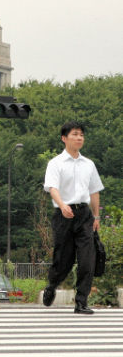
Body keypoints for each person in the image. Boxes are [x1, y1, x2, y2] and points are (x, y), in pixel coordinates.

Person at [43, 121, 104, 315]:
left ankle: (81, 302)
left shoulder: (89, 164)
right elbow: (53, 188)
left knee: (88, 259)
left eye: (82, 135)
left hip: (84, 215)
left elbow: (94, 191)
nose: (79, 138)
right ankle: (52, 285)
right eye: (75, 134)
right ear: (64, 138)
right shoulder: (55, 163)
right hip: (63, 215)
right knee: (63, 260)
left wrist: (96, 216)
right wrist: (62, 206)